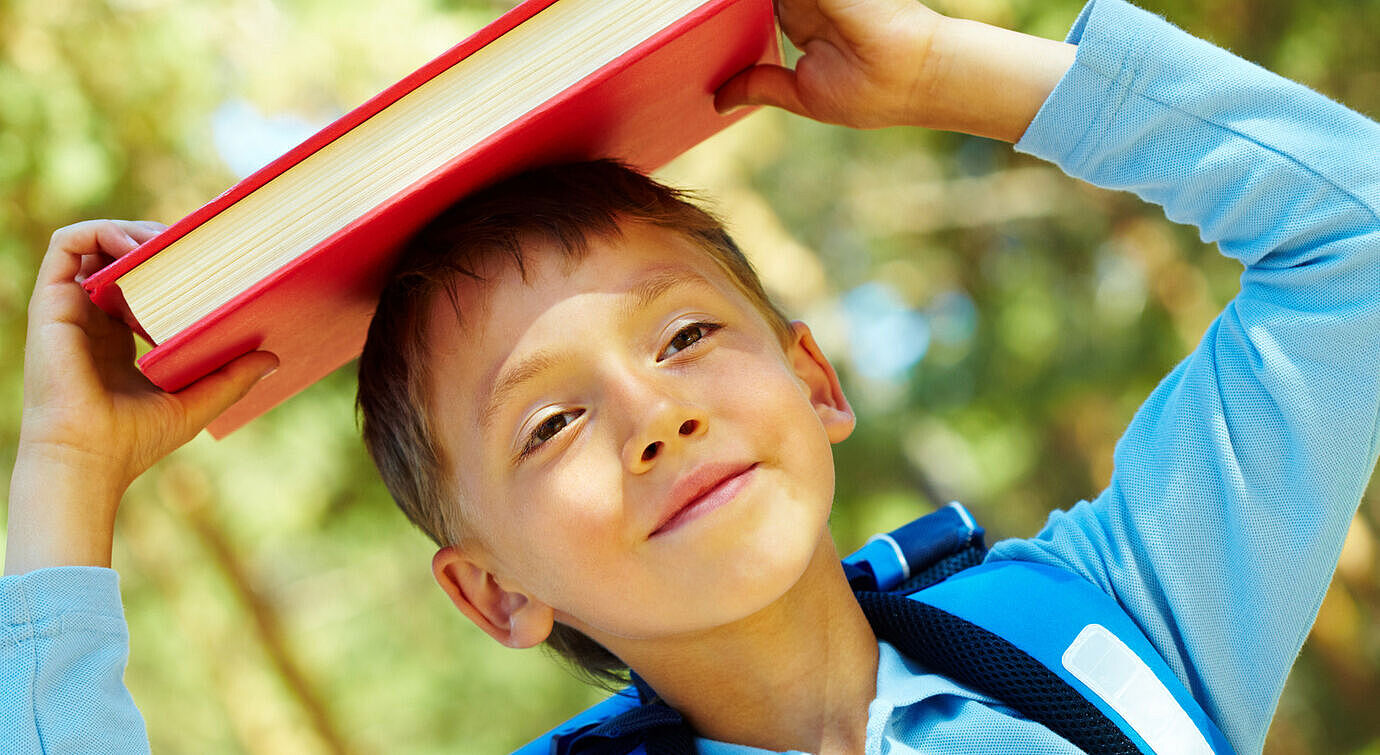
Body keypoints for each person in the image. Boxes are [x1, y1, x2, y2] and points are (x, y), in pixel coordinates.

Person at [4, 0, 1377, 751]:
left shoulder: (1107, 621)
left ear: (816, 381)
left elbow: (1353, 239)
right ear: (495, 592)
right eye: (548, 423)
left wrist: (948, 69)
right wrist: (68, 480)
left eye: (685, 338)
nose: (655, 415)